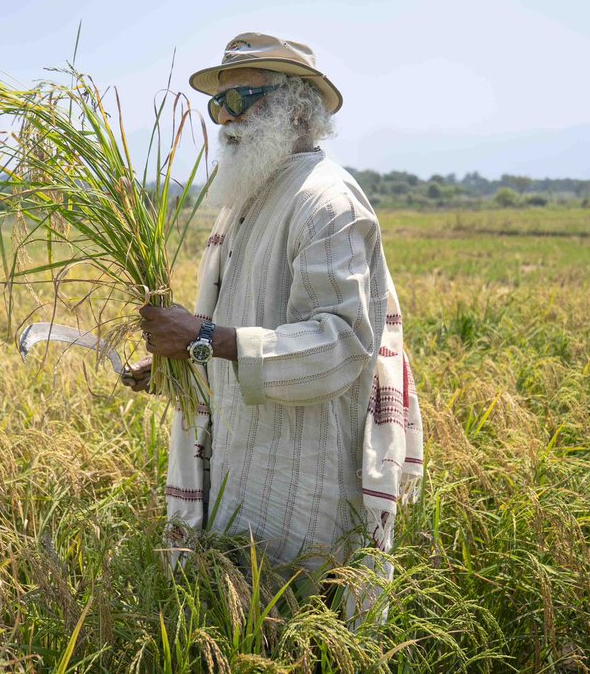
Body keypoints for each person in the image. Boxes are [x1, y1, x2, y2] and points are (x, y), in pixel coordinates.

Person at [123, 32, 424, 621]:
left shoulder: (326, 203)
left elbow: (342, 343)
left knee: (305, 632)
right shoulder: (249, 200)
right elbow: (240, 329)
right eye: (219, 106)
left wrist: (203, 339)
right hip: (243, 459)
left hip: (306, 476)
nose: (227, 121)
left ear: (297, 109)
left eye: (245, 100)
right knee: (241, 626)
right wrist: (178, 365)